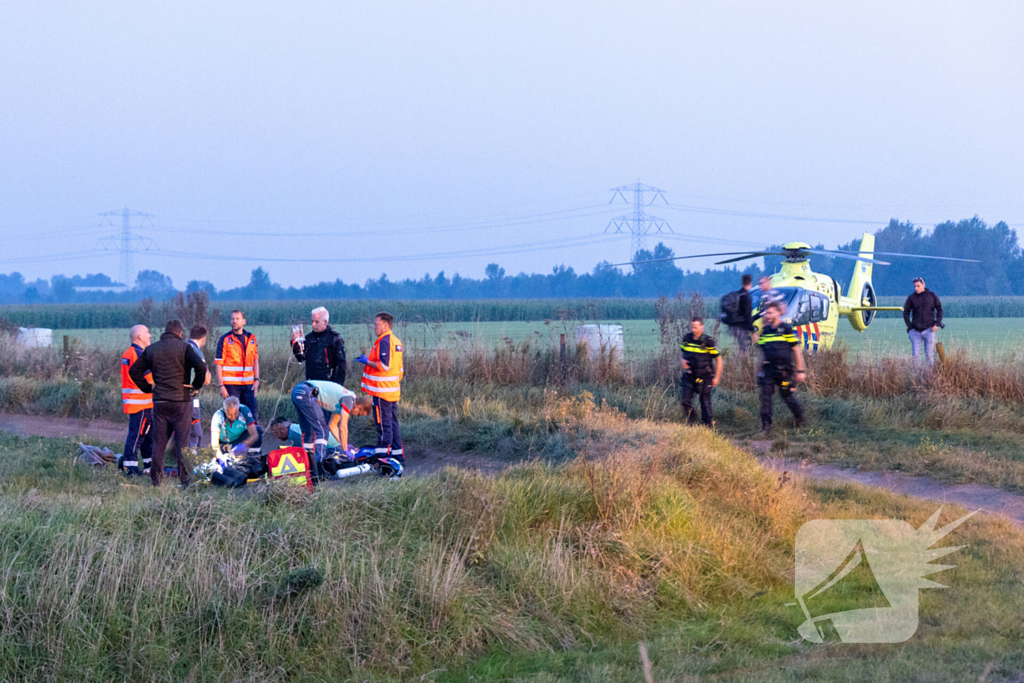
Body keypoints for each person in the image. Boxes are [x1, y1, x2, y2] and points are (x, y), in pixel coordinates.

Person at [129, 319, 208, 486]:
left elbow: (134, 371)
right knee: (183, 443)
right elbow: (201, 367)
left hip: (160, 402)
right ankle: (185, 481)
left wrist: (148, 388)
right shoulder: (185, 348)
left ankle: (156, 482)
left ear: (165, 332)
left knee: (159, 443)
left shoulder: (152, 349)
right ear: (180, 333)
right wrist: (195, 386)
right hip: (181, 402)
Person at [357, 311, 404, 462]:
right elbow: (400, 370)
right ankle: (397, 456)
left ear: (385, 325)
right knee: (393, 423)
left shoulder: (384, 341)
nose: (373, 327)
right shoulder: (396, 341)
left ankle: (383, 458)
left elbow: (384, 365)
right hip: (392, 391)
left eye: (376, 324)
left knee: (383, 425)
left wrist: (366, 361)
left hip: (382, 391)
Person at [756, 301, 806, 435]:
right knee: (765, 397)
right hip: (769, 370)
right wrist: (759, 370)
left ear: (778, 313)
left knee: (787, 396)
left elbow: (796, 350)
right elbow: (762, 352)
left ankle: (800, 419)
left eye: (771, 312)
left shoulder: (786, 329)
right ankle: (765, 427)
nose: (768, 314)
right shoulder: (766, 331)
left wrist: (800, 371)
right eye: (767, 312)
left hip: (785, 371)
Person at [270, 395, 372, 456]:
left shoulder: (293, 434)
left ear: (281, 428)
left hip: (331, 448)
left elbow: (299, 454)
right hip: (333, 443)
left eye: (276, 432)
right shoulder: (295, 428)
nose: (277, 436)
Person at [208, 396, 265, 487]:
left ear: (238, 408)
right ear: (224, 410)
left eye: (236, 413)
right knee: (223, 461)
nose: (233, 417)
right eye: (229, 414)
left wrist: (244, 444)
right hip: (225, 444)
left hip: (240, 440)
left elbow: (254, 434)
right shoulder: (218, 416)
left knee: (258, 429)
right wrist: (219, 456)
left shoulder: (244, 410)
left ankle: (255, 459)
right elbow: (214, 443)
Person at [120, 324, 154, 476]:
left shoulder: (128, 353)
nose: (150, 336)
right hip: (142, 403)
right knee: (137, 438)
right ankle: (131, 470)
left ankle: (149, 467)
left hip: (135, 403)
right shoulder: (139, 355)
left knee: (146, 437)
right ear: (139, 337)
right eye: (147, 333)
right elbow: (150, 379)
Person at [215, 310, 260, 421]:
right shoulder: (225, 339)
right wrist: (221, 385)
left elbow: (255, 360)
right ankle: (232, 438)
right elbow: (218, 364)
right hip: (231, 385)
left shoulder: (251, 338)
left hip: (249, 385)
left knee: (252, 415)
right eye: (232, 319)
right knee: (232, 417)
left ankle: (253, 438)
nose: (234, 321)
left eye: (237, 319)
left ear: (243, 321)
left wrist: (257, 379)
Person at [680, 317, 722, 427]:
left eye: (696, 327)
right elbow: (683, 353)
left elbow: (719, 359)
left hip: (705, 375)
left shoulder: (708, 341)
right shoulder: (687, 339)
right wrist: (683, 360)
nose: (694, 329)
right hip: (690, 375)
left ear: (702, 327)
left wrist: (716, 377)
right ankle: (692, 423)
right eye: (692, 327)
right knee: (685, 401)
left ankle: (708, 426)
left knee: (705, 403)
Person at [291, 306, 347, 384]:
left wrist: (338, 386)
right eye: (312, 321)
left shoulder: (334, 339)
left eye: (317, 322)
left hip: (329, 383)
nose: (313, 325)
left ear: (325, 322)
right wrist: (295, 343)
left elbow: (341, 367)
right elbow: (301, 358)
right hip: (311, 382)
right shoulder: (308, 338)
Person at [903, 277, 944, 366]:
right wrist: (910, 327)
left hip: (929, 329)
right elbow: (906, 312)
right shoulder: (912, 298)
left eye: (918, 286)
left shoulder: (932, 296)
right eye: (915, 286)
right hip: (915, 331)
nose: (916, 288)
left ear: (923, 285)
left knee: (929, 355)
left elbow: (940, 310)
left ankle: (929, 376)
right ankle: (916, 376)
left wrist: (937, 323)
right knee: (915, 356)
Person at [187, 325, 211, 451]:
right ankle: (192, 463)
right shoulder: (197, 352)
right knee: (195, 434)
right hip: (191, 396)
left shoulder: (180, 348)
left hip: (173, 396)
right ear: (203, 339)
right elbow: (206, 380)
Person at [722, 274, 754, 353]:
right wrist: (752, 329)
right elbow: (747, 314)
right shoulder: (746, 297)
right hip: (741, 327)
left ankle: (737, 362)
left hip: (733, 326)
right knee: (744, 349)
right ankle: (741, 364)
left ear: (742, 283)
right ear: (750, 284)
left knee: (739, 347)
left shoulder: (737, 294)